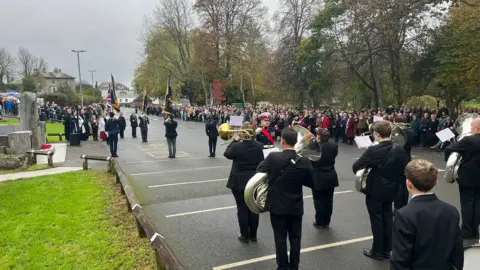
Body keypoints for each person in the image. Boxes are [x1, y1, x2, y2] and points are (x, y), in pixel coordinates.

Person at [257, 128, 315, 270]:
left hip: (277, 206)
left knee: (280, 238)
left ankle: (282, 266)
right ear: (295, 142)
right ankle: (294, 266)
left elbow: (259, 169)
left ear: (282, 141)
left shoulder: (273, 157)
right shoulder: (305, 161)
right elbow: (313, 183)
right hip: (296, 206)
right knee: (295, 238)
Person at [391, 159, 463, 270]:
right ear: (436, 181)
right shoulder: (451, 211)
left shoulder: (404, 215)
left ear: (408, 183)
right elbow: (457, 251)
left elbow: (400, 259)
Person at [352, 120, 407, 260]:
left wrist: (369, 160)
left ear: (377, 134)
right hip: (392, 189)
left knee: (376, 219)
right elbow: (404, 169)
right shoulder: (399, 148)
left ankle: (377, 251)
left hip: (375, 189)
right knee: (388, 217)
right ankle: (388, 249)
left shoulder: (373, 149)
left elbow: (356, 167)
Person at [224, 132, 264, 243]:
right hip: (254, 181)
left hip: (239, 182)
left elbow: (227, 154)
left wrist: (234, 140)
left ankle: (244, 235)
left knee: (242, 208)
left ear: (242, 135)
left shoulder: (236, 146)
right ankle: (253, 235)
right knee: (254, 208)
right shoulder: (259, 145)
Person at [445, 117, 480, 240]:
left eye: (471, 126)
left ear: (477, 128)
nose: (470, 128)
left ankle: (466, 231)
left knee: (467, 204)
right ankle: (475, 230)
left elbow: (449, 149)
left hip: (468, 177)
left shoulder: (468, 140)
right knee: (478, 203)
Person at [305, 128, 338, 229]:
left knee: (318, 201)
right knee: (329, 200)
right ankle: (327, 221)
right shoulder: (334, 145)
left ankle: (320, 222)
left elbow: (308, 158)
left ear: (319, 136)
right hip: (331, 175)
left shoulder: (314, 146)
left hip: (318, 176)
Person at [393, 115, 416, 212]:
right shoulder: (410, 131)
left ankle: (398, 206)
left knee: (397, 184)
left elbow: (393, 144)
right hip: (407, 158)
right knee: (404, 184)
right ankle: (404, 205)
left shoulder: (396, 132)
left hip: (397, 159)